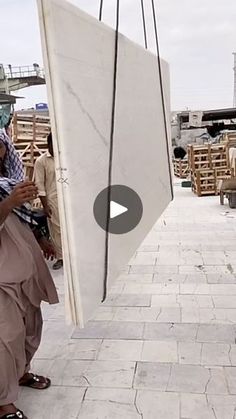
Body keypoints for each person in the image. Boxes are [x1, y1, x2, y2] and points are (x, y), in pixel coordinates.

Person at [0, 130, 59, 419]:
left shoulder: (12, 178)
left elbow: (25, 217)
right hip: (2, 277)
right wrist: (8, 202)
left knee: (31, 326)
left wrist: (41, 237)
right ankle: (4, 402)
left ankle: (22, 373)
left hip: (28, 268)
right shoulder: (9, 192)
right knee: (6, 336)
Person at [34, 133, 63, 270]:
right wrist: (45, 206)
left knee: (70, 229)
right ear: (48, 144)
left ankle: (73, 256)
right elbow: (39, 185)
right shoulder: (41, 161)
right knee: (56, 230)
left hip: (67, 198)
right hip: (52, 201)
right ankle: (61, 257)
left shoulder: (64, 157)